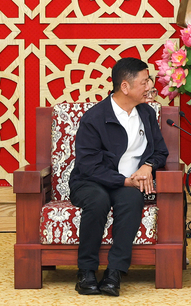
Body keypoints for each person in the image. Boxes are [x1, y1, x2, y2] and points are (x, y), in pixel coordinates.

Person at [69, 57, 169, 296]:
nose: (150, 86)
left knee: (132, 199)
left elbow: (161, 151)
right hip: (90, 182)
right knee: (98, 200)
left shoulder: (145, 113)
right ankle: (86, 271)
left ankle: (114, 272)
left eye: (149, 80)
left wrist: (147, 166)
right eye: (144, 82)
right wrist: (126, 181)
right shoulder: (94, 118)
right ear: (125, 87)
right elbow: (89, 166)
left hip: (127, 183)